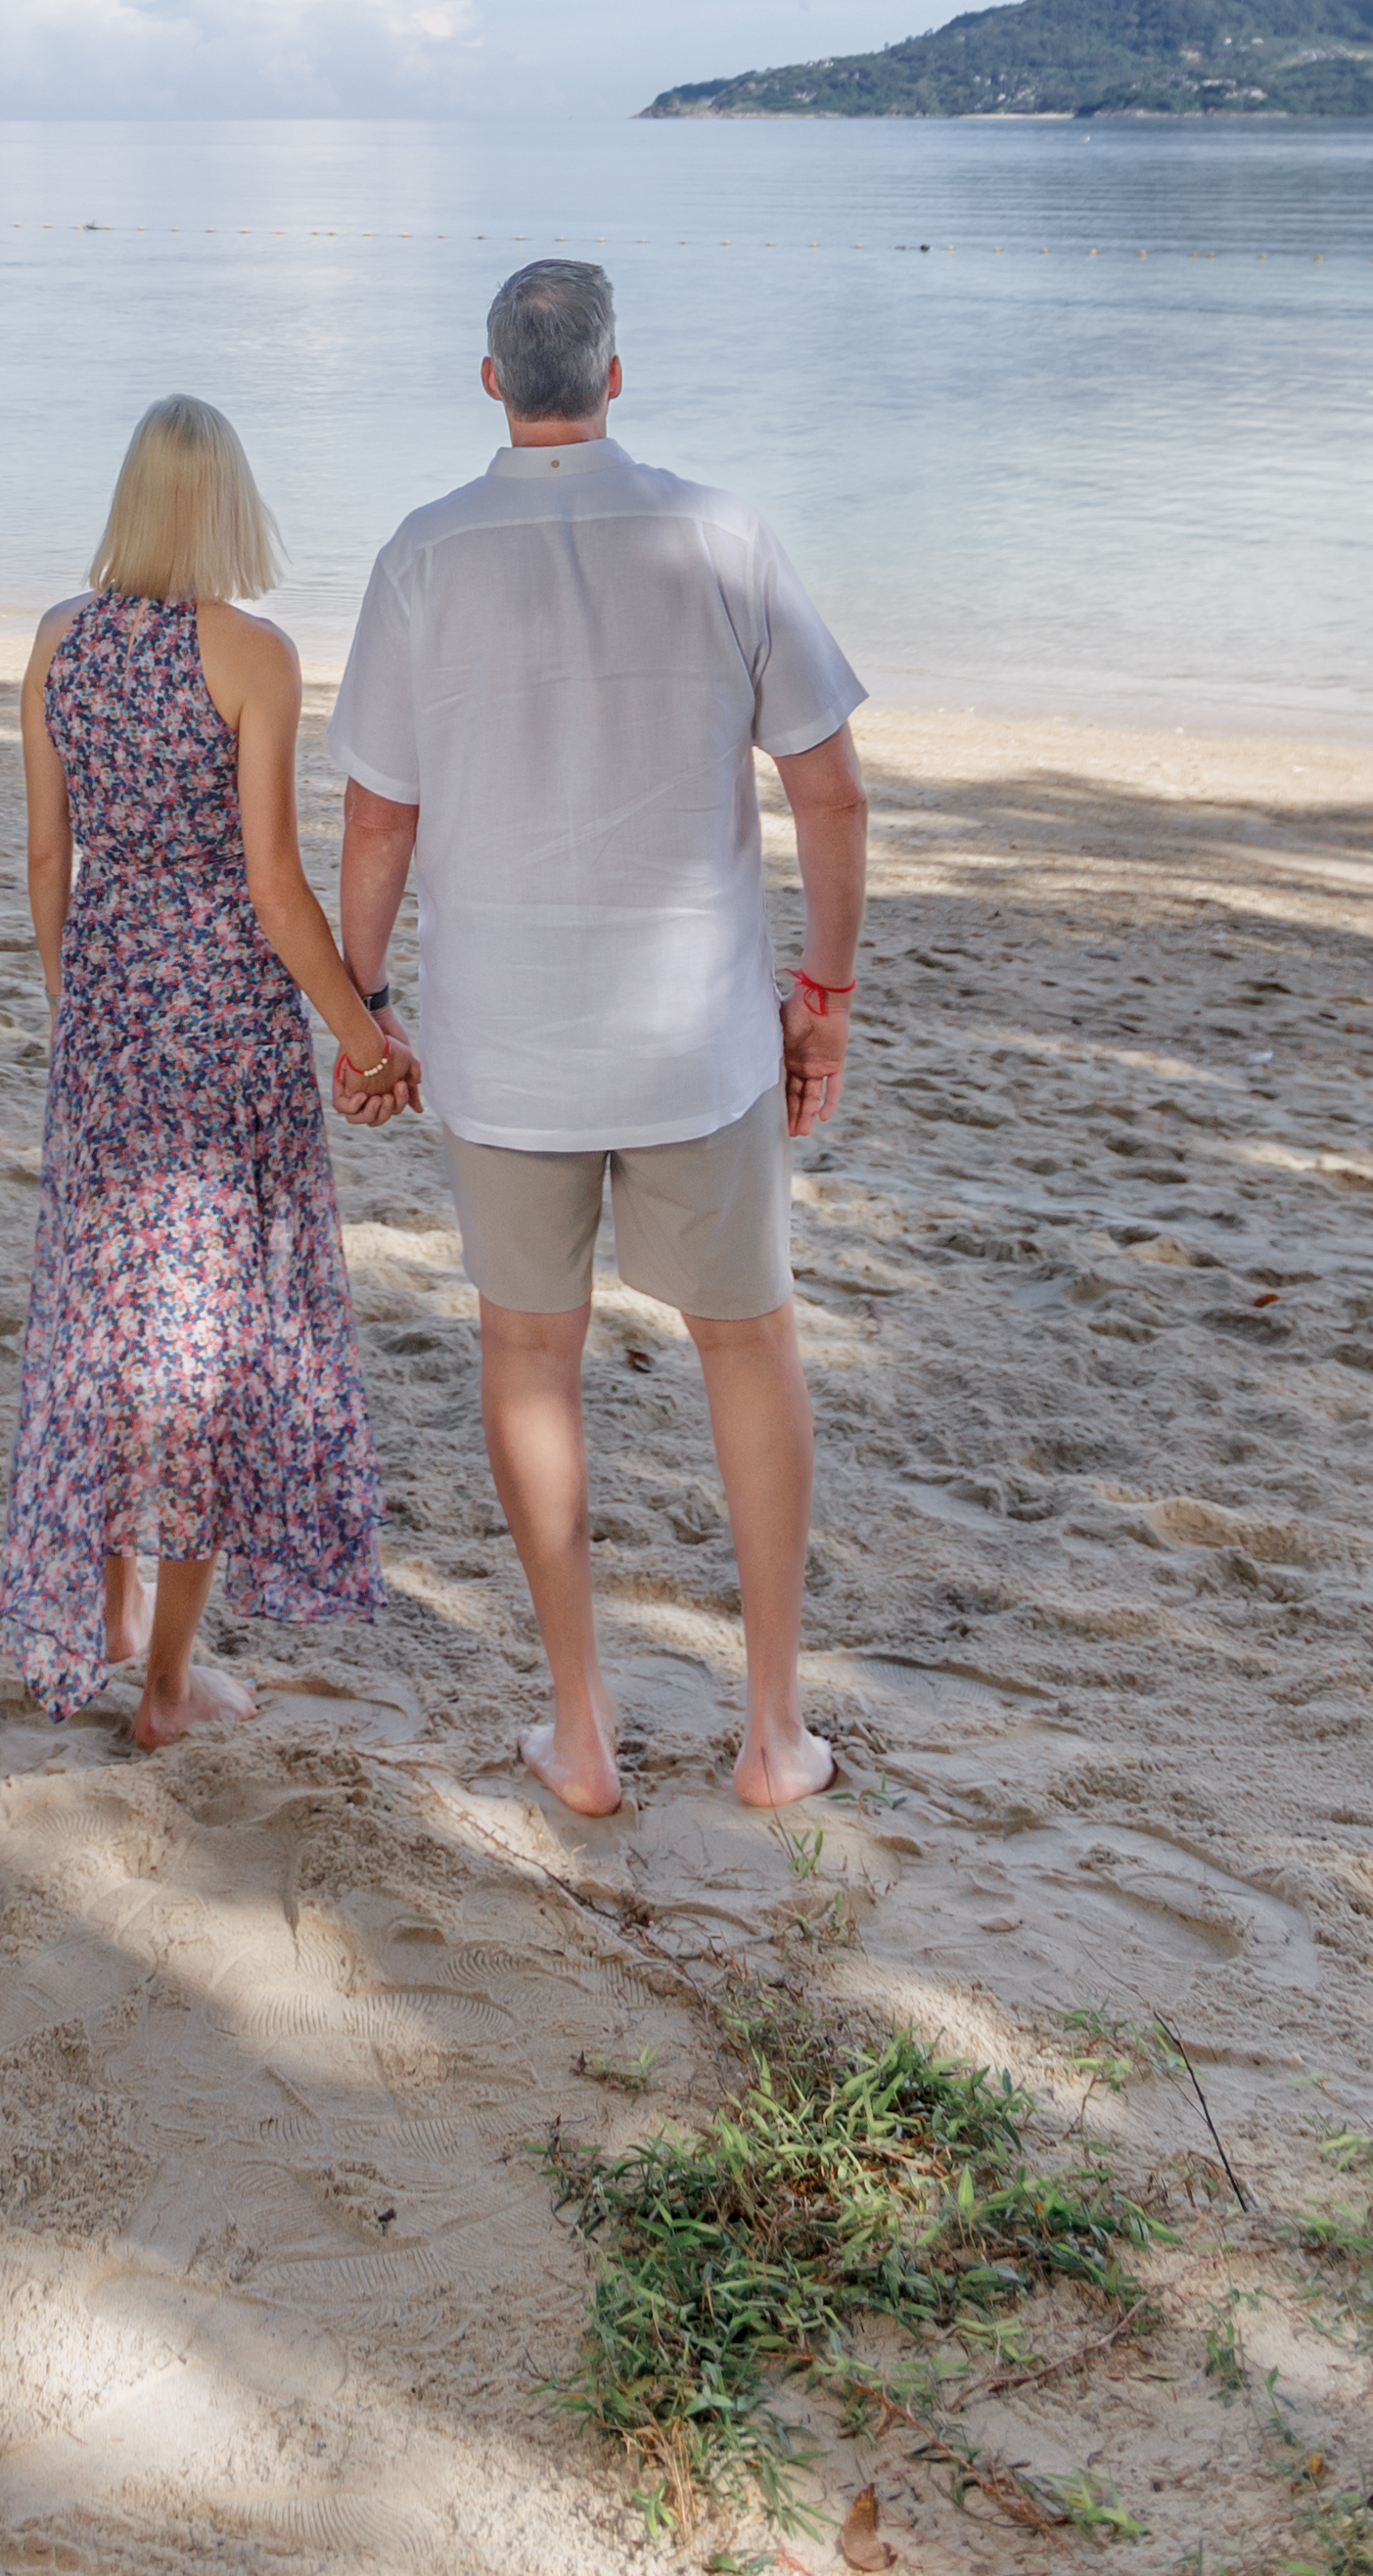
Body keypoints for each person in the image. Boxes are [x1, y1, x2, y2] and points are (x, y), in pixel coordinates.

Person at [329, 256, 867, 1822]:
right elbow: (827, 791)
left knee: (528, 1353)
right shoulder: (720, 535)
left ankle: (581, 1732)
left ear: (489, 380)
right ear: (617, 377)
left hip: (504, 1039)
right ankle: (773, 1733)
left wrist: (363, 1007)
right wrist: (823, 997)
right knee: (748, 1342)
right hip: (698, 1034)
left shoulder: (426, 555)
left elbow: (378, 814)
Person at [0, 391, 415, 1747]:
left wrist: (82, 1003)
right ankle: (169, 1689)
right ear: (229, 505)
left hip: (109, 1027)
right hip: (226, 1038)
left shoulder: (59, 644)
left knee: (109, 1329)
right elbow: (274, 887)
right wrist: (365, 1034)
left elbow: (46, 859)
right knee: (207, 1349)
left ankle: (112, 1618)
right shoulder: (253, 655)